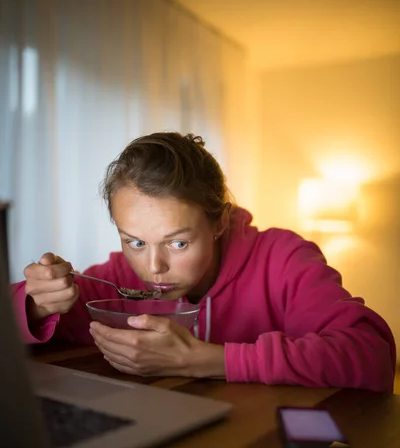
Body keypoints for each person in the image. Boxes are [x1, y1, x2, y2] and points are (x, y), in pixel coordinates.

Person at [12, 132, 396, 391]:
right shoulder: (116, 277)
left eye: (177, 243)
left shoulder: (284, 259)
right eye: (135, 241)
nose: (153, 267)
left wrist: (209, 361)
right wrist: (33, 304)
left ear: (219, 222)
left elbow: (371, 356)